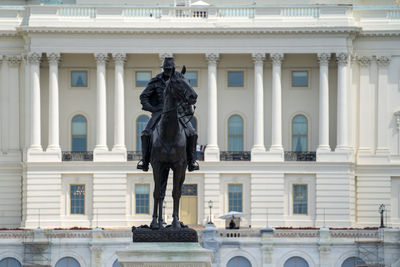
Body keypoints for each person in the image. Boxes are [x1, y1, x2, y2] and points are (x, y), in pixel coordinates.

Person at [136, 57, 199, 172]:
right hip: (160, 112)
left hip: (179, 112)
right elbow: (144, 96)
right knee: (146, 133)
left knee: (192, 133)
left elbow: (187, 94)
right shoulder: (156, 81)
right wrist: (153, 109)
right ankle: (145, 161)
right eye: (167, 69)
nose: (169, 72)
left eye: (171, 69)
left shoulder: (180, 79)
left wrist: (187, 106)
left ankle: (191, 161)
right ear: (163, 69)